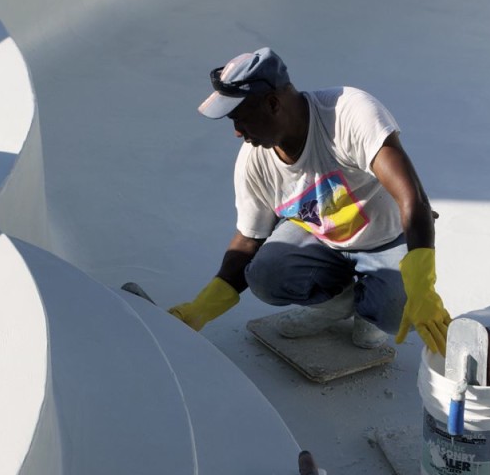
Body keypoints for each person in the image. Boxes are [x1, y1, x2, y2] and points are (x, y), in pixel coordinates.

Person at [168, 48, 452, 354]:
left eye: (240, 118)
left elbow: (412, 198)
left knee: (396, 312)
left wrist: (422, 286)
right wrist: (201, 309)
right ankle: (337, 305)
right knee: (265, 274)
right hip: (321, 239)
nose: (237, 132)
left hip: (388, 237)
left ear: (273, 103)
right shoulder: (254, 162)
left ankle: (371, 311)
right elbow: (249, 241)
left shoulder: (348, 113)